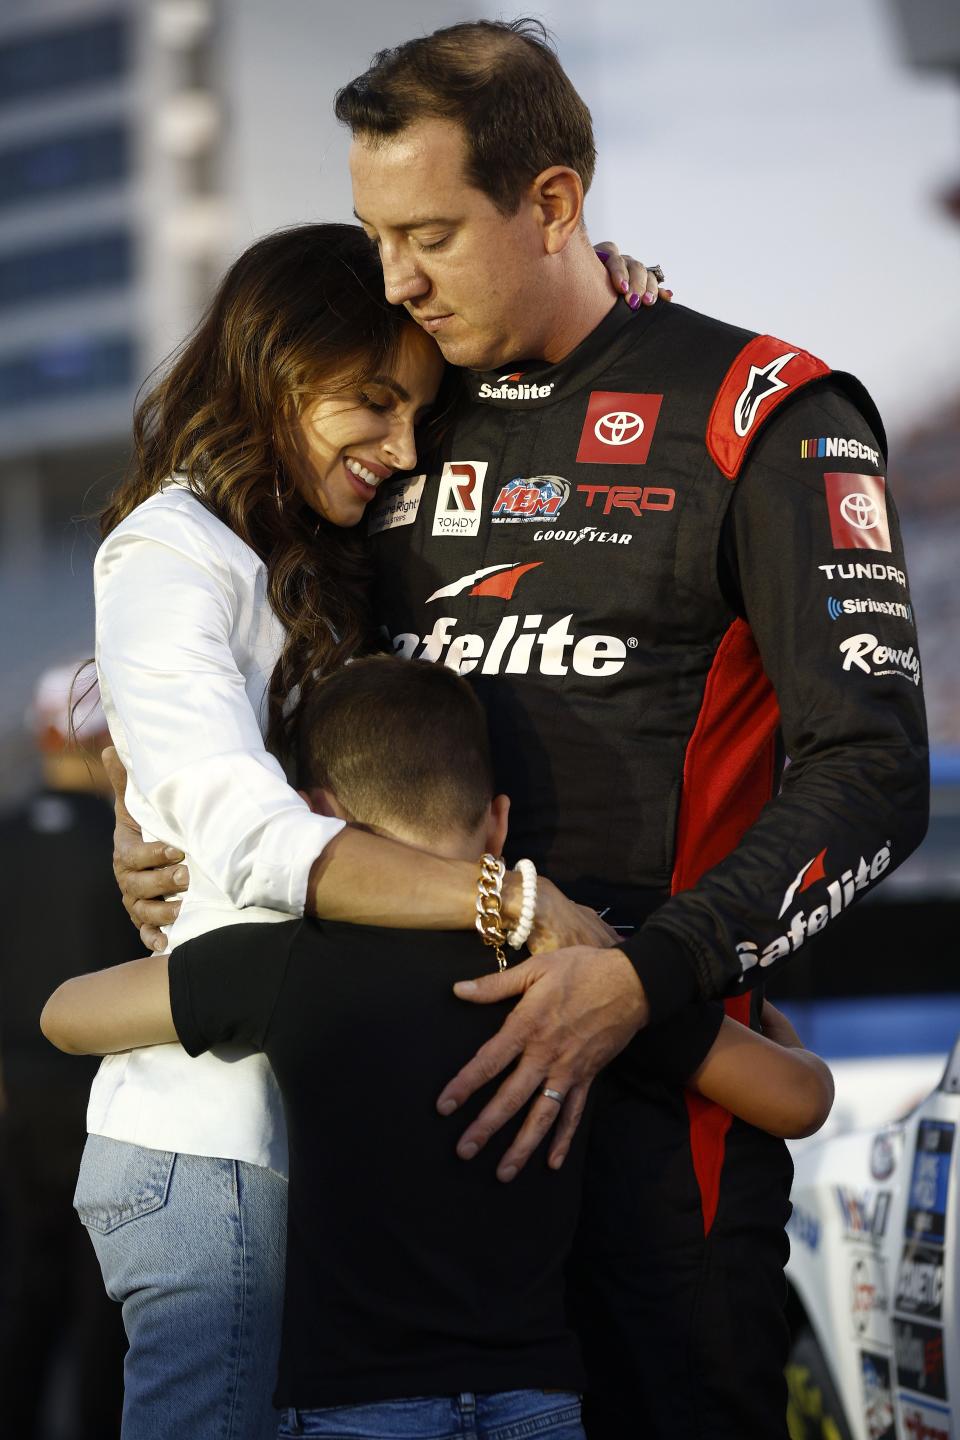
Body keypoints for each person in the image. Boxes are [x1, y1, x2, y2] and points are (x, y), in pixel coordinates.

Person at [111, 18, 929, 1439]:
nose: (395, 279)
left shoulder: (762, 415)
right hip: (395, 1182)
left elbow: (875, 773)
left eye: (428, 232)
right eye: (375, 236)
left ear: (554, 205)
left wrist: (657, 972)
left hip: (657, 1141)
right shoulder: (396, 408)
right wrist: (155, 814)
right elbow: (237, 655)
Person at [84, 220, 631, 1440]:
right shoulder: (173, 553)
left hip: (299, 1139)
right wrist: (516, 903)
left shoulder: (291, 552)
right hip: (209, 1140)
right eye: (371, 405)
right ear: (275, 366)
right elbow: (255, 836)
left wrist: (613, 280)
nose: (398, 449)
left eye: (417, 417)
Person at [43, 658, 835, 1440]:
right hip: (537, 1403)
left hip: (352, 1410)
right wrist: (758, 1025)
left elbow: (65, 1016)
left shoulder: (282, 962)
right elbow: (800, 1099)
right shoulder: (582, 976)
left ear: (318, 819)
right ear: (496, 822)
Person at [0, 664, 136, 1439]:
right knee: (103, 1299)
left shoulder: (5, 836)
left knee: (23, 1281)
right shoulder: (128, 853)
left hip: (16, 1098)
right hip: (103, 1097)